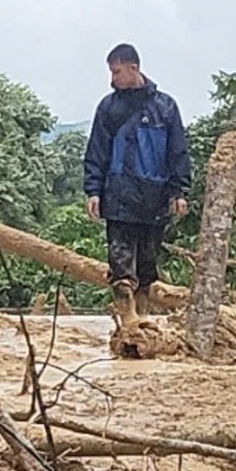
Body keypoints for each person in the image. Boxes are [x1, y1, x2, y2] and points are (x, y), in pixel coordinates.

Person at [83, 44, 191, 325]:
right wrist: (93, 191)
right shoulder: (108, 107)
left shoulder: (165, 107)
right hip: (118, 196)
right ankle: (127, 315)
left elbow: (177, 152)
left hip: (154, 198)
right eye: (111, 72)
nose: (113, 78)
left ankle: (143, 314)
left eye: (117, 71)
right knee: (120, 260)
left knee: (147, 262)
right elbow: (96, 151)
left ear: (134, 68)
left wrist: (178, 191)